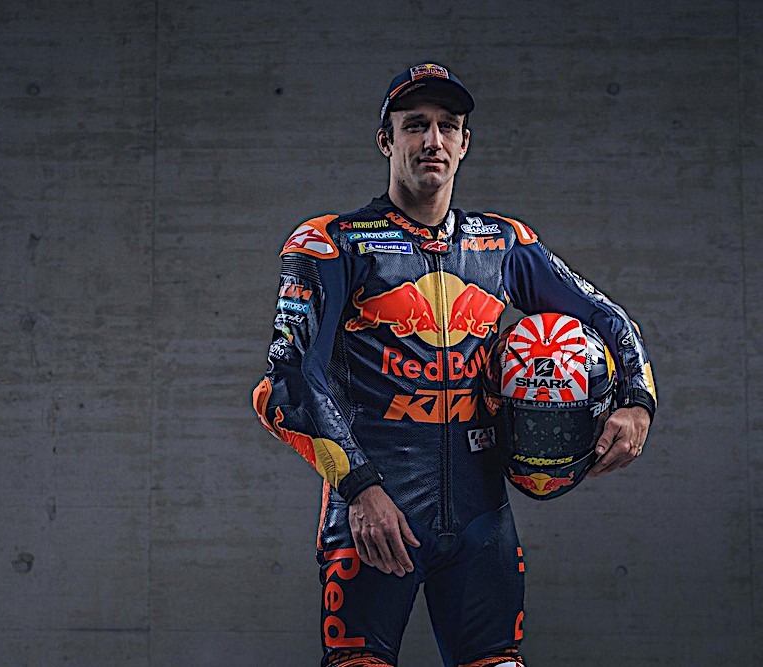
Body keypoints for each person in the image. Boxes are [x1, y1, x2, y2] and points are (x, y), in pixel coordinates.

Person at [251, 61, 656, 667]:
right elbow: (287, 383)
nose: (432, 140)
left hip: (481, 518)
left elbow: (608, 318)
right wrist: (359, 489)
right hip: (375, 513)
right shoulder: (331, 243)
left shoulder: (505, 243)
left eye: (448, 126)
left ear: (465, 143)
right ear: (386, 140)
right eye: (415, 125)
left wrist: (637, 402)